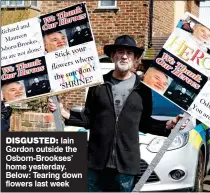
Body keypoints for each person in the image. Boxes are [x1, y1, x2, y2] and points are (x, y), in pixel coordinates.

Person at [48, 35, 188, 192]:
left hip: (126, 165)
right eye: (120, 51)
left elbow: (144, 123)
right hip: (96, 163)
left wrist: (168, 124)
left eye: (129, 53)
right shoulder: (98, 84)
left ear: (135, 58)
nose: (124, 56)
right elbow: (89, 118)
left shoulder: (143, 90)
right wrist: (63, 112)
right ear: (113, 56)